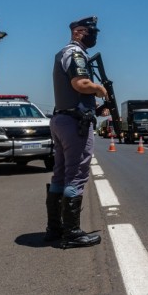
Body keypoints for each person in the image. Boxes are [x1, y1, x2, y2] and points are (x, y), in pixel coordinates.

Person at [45, 16, 108, 249]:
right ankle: (71, 232)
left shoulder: (62, 53)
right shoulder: (76, 53)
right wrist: (99, 89)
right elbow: (80, 84)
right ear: (79, 32)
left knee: (60, 174)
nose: (95, 36)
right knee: (76, 174)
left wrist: (96, 108)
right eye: (92, 32)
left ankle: (55, 228)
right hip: (74, 124)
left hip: (63, 118)